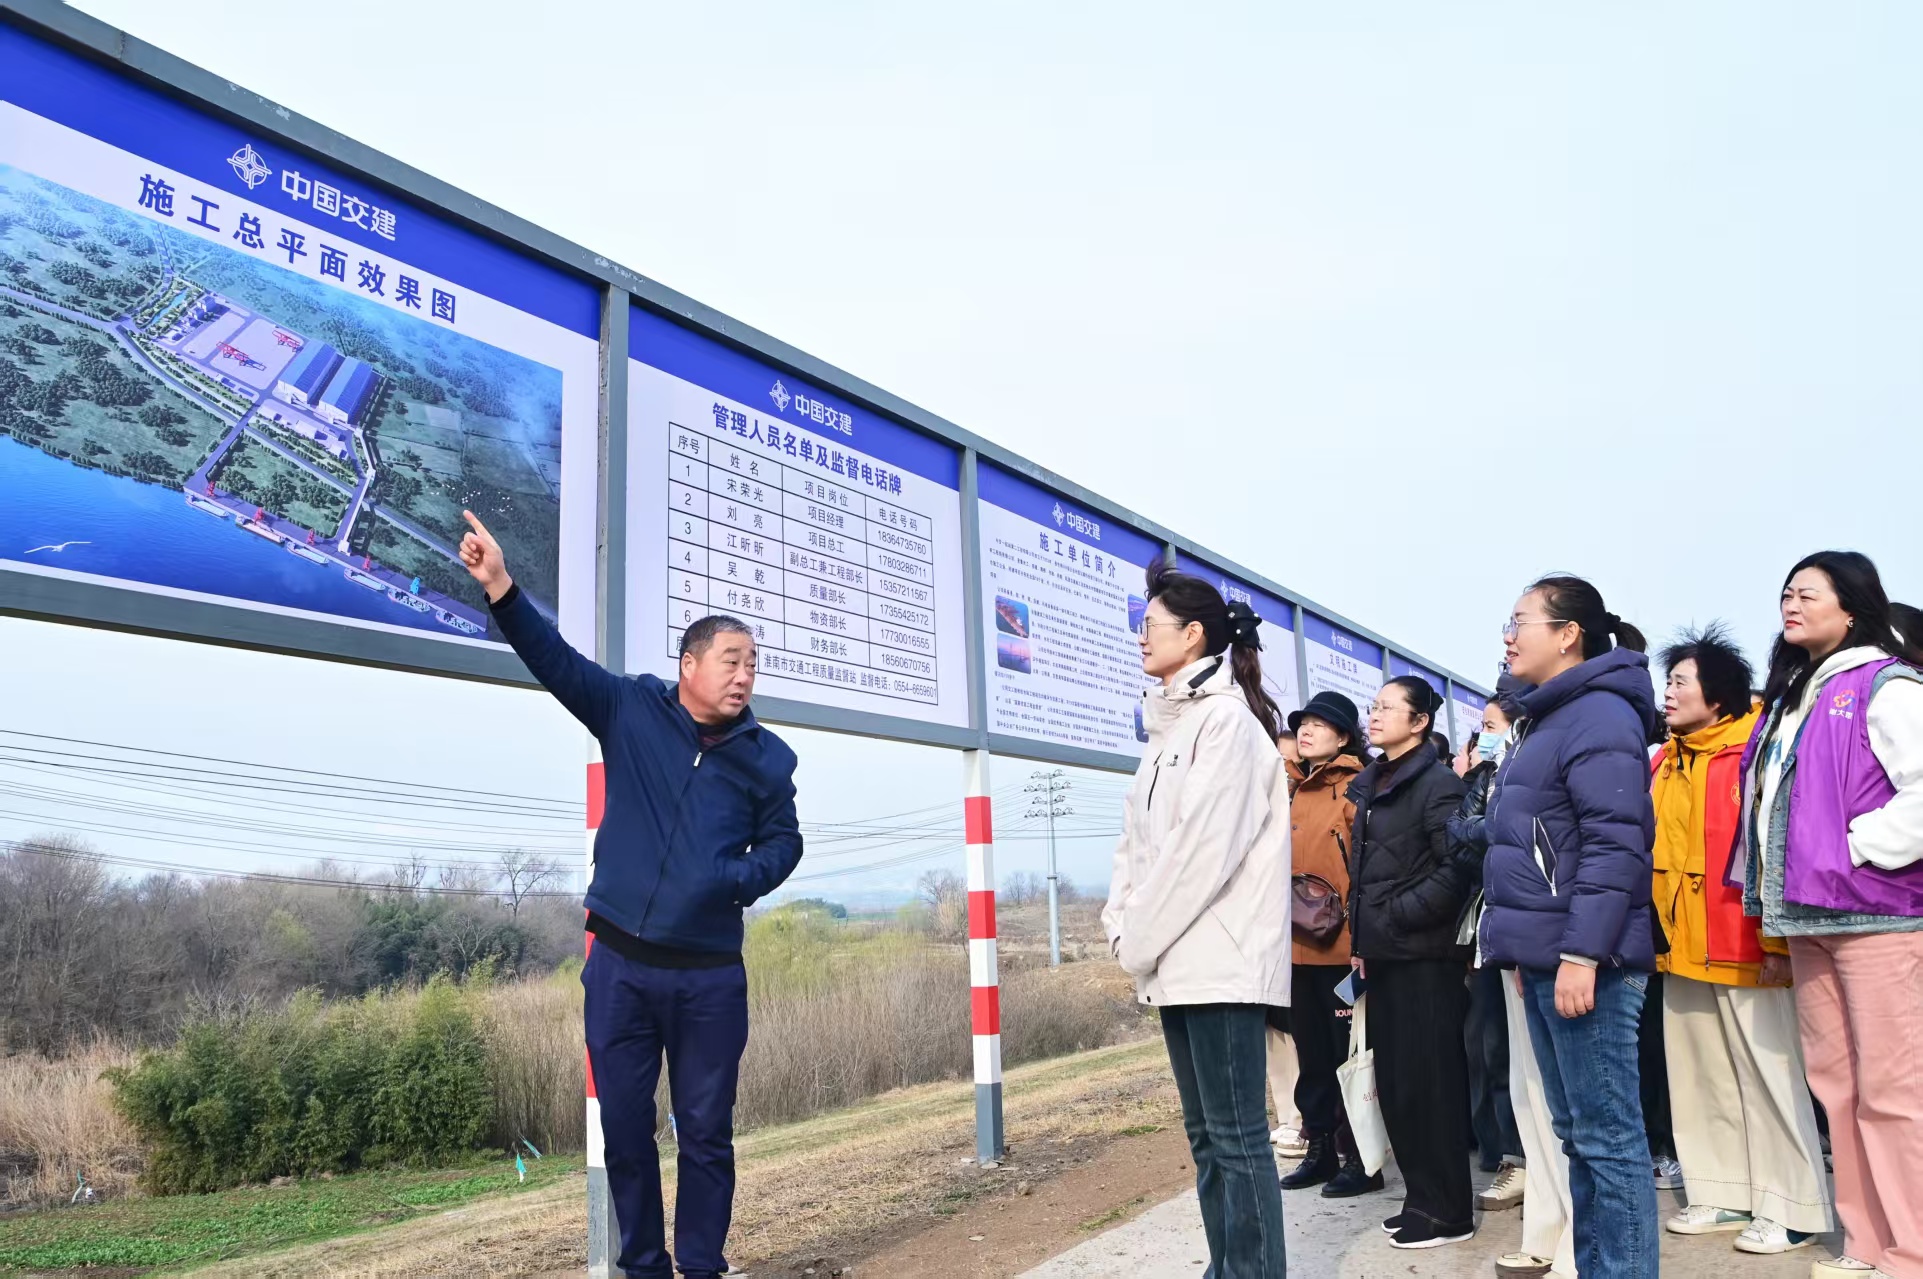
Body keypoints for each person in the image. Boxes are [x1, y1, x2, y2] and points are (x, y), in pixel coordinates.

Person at [457, 512, 802, 1279]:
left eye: (753, 664)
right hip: (619, 968)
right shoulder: (630, 710)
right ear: (688, 665)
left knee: (707, 1131)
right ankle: (643, 1265)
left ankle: (702, 1265)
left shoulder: (766, 759)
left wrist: (735, 880)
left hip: (710, 976)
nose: (745, 675)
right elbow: (555, 661)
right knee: (622, 1130)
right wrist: (501, 588)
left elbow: (785, 842)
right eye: (731, 660)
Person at [1734, 551, 1923, 1279]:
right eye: (1784, 591)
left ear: (1851, 606)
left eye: (1806, 592)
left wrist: (1853, 848)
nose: (1790, 603)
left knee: (1892, 1090)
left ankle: (1910, 1250)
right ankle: (1865, 1241)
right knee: (1837, 1086)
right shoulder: (1793, 696)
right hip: (1809, 917)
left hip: (1877, 916)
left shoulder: (1885, 683)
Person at [1103, 558, 1293, 1279]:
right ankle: (1228, 1266)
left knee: (1237, 1136)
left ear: (1193, 633)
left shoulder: (1227, 726)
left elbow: (1197, 855)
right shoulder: (1170, 730)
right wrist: (1122, 922)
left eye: (1149, 626)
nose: (1139, 637)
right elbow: (1135, 846)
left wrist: (1135, 938)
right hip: (1173, 961)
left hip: (1218, 960)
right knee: (1207, 1136)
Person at [1481, 574, 1661, 1279]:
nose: (1506, 633)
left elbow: (1615, 845)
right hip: (1550, 955)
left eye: (1519, 619)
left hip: (1590, 960)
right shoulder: (1549, 718)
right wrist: (1533, 951)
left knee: (1608, 1139)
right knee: (1579, 1137)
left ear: (1566, 634)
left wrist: (1583, 951)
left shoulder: (1599, 717)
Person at [1652, 623, 1834, 1256]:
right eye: (1667, 681)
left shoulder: (1755, 751)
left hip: (1746, 940)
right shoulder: (1663, 760)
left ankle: (1794, 1205)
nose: (1668, 694)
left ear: (1720, 696)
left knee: (1769, 1076)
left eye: (1681, 682)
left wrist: (1780, 943)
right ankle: (1723, 1190)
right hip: (1678, 943)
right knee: (1699, 1075)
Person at [1348, 675, 1476, 1249]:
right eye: (1372, 706)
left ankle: (1450, 1210)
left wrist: (1400, 914)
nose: (1374, 715)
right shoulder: (1374, 783)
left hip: (1425, 956)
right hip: (1385, 954)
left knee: (1433, 1083)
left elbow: (1456, 869)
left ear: (1420, 721)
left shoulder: (1438, 784)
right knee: (1399, 1084)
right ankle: (1420, 1199)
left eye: (1387, 708)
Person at [1275, 690, 1374, 1196]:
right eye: (1304, 723)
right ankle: (1319, 1152)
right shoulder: (1289, 787)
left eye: (1320, 724)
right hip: (1293, 949)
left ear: (1343, 737)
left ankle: (1361, 1156)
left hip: (1342, 950)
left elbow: (1369, 870)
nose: (1307, 730)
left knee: (1348, 1054)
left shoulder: (1358, 789)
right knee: (1311, 1053)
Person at [1449, 688, 1526, 1212]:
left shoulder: (1527, 774)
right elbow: (1456, 833)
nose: (1484, 736)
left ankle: (1521, 1157)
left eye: (1494, 725)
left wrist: (1485, 831)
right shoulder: (1481, 779)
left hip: (1522, 927)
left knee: (1517, 1053)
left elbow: (1506, 833)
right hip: (1483, 928)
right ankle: (1502, 1155)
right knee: (1489, 1048)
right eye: (1482, 726)